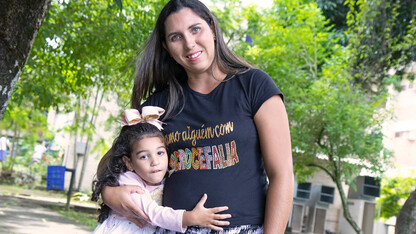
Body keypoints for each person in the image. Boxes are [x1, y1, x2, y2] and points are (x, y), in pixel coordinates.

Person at [97, 0, 294, 233]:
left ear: (212, 29)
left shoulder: (254, 86)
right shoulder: (158, 106)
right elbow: (113, 163)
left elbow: (281, 175)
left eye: (195, 29)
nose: (189, 44)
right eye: (176, 37)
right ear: (167, 47)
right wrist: (109, 192)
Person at [92, 107, 231, 233]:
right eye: (144, 156)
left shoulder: (166, 177)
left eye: (160, 153)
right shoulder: (129, 182)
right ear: (129, 163)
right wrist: (190, 217)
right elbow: (153, 213)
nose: (155, 162)